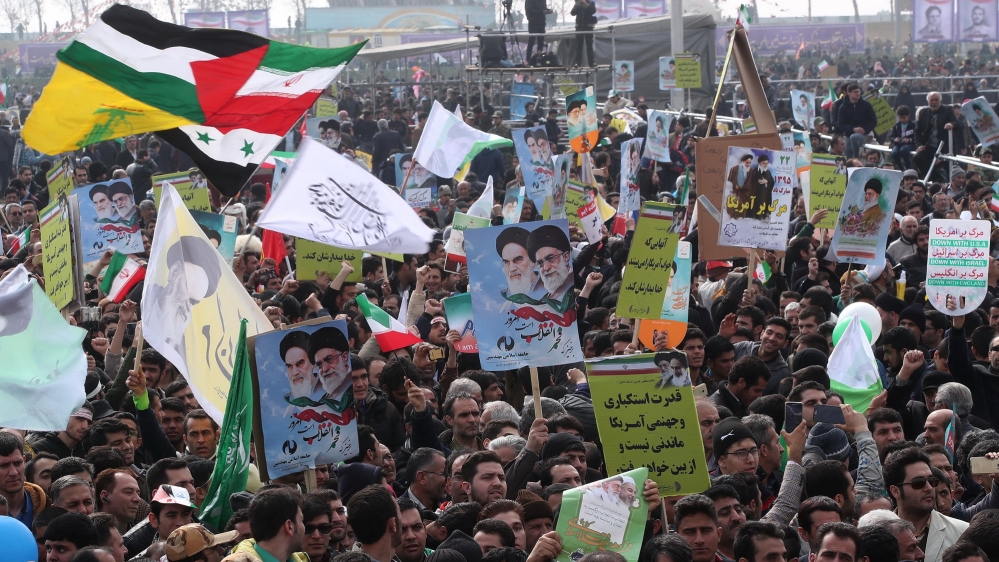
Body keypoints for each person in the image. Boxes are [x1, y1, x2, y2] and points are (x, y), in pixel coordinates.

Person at [570, 0, 596, 67]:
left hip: (588, 26)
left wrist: (585, 3)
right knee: (579, 46)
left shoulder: (591, 3)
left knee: (589, 45)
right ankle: (577, 63)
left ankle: (591, 63)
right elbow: (572, 13)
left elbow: (593, 11)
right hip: (579, 27)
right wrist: (576, 5)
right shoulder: (578, 4)